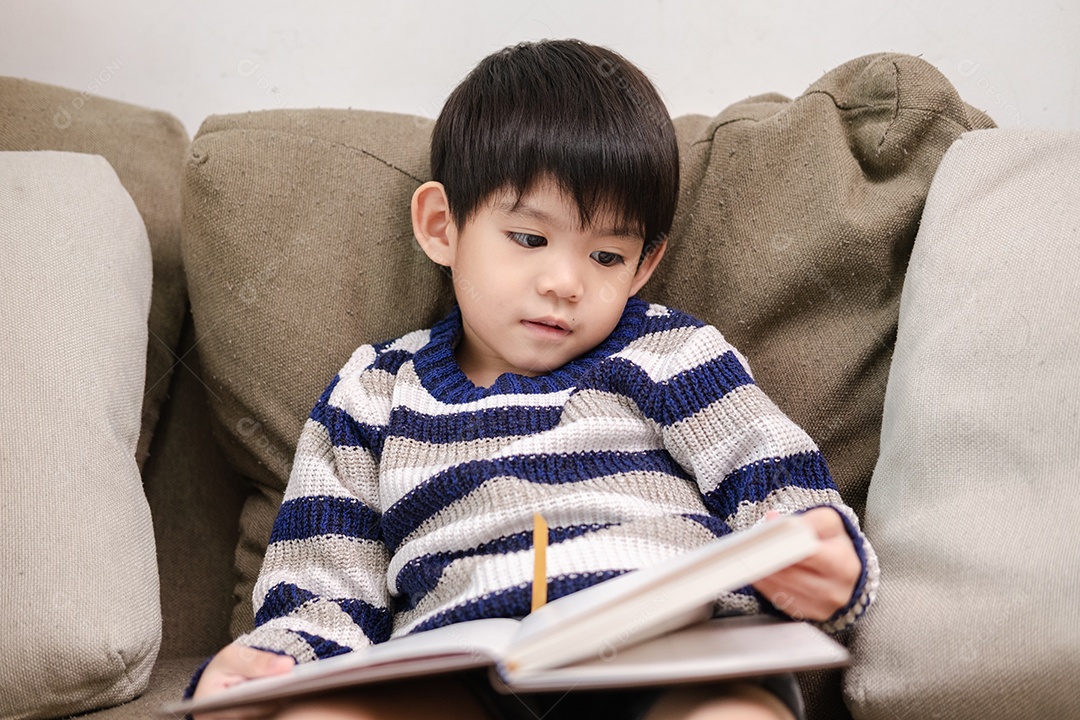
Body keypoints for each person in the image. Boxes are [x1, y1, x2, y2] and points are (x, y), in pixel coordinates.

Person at [189, 39, 878, 720]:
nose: (564, 283)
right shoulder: (371, 395)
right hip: (467, 679)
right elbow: (323, 584)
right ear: (442, 226)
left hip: (669, 656)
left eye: (606, 256)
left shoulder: (673, 355)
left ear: (643, 266)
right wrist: (274, 664)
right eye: (528, 239)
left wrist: (815, 554)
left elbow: (777, 480)